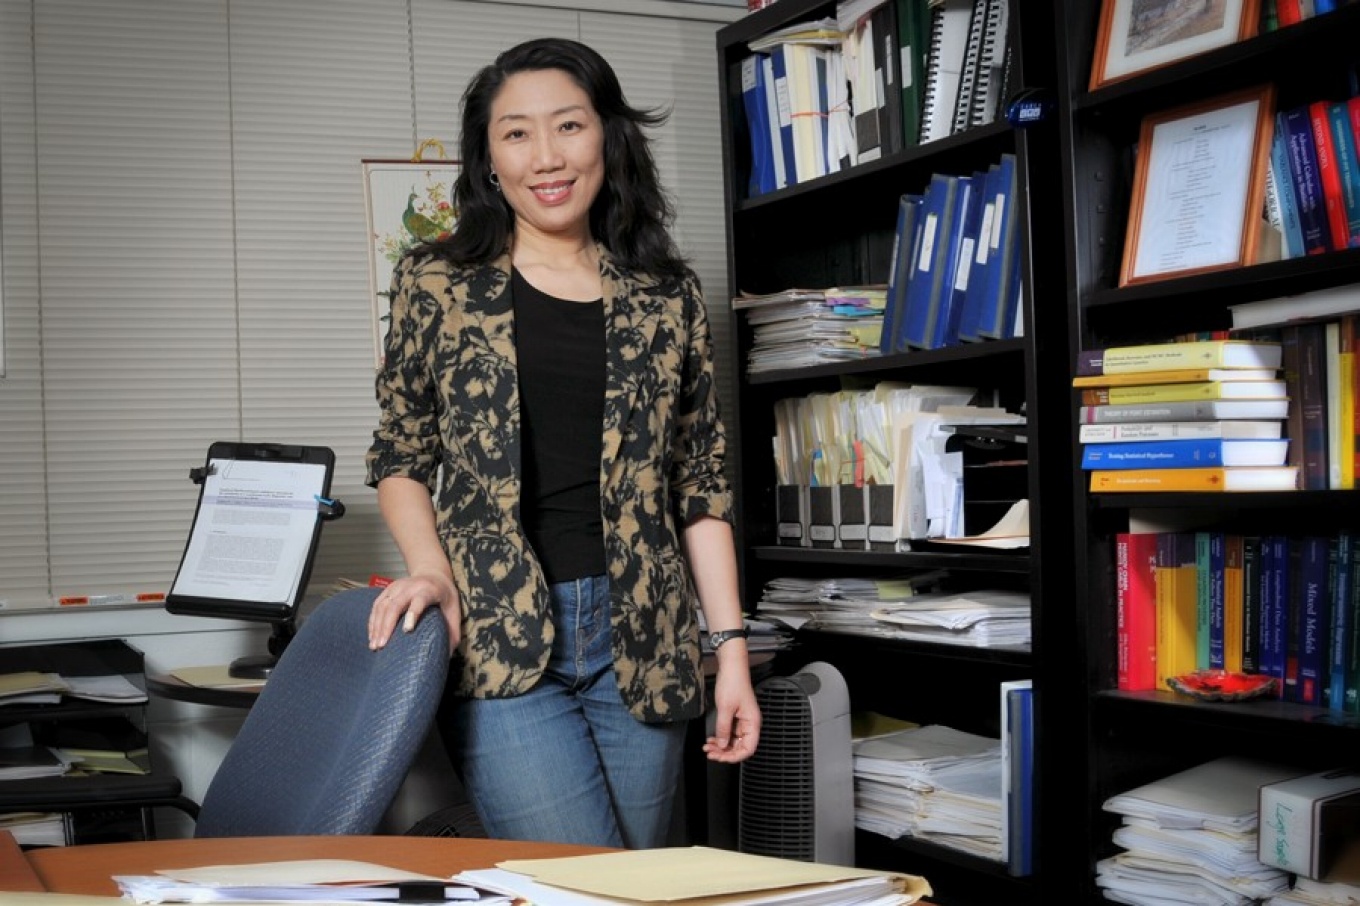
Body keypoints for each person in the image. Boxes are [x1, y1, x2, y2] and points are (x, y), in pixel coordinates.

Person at [363, 36, 761, 849]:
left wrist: (731, 653)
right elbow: (403, 453)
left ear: (608, 137)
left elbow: (701, 481)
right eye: (516, 133)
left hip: (645, 640)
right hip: (498, 634)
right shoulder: (436, 282)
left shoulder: (666, 293)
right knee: (579, 884)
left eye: (568, 126)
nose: (546, 156)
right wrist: (433, 573)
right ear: (487, 158)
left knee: (642, 880)